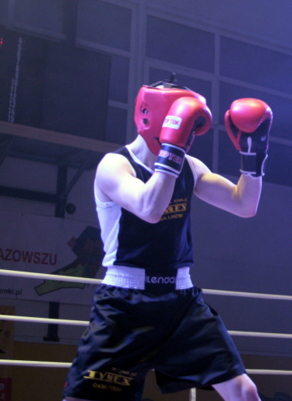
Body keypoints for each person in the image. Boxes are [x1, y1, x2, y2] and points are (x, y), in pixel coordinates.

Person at [62, 79, 272, 401]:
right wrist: (172, 150)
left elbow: (244, 205)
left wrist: (252, 156)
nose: (190, 136)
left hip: (181, 302)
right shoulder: (115, 165)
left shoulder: (190, 166)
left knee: (243, 391)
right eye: (185, 125)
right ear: (157, 118)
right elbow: (149, 208)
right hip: (125, 303)